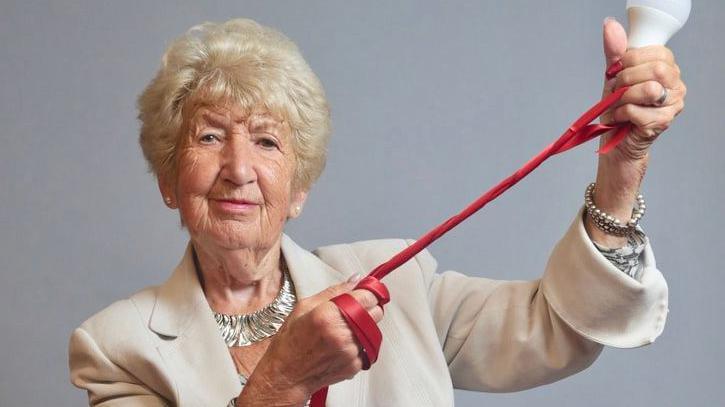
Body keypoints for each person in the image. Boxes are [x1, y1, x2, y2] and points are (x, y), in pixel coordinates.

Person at [68, 17, 685, 406]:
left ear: (299, 188)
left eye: (266, 141)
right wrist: (279, 385)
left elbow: (563, 329)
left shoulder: (397, 284)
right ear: (169, 181)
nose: (238, 168)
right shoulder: (119, 348)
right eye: (207, 138)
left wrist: (621, 165)